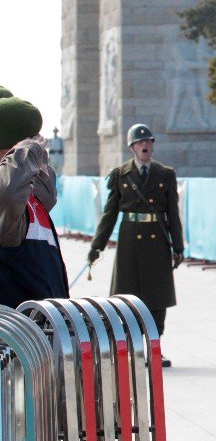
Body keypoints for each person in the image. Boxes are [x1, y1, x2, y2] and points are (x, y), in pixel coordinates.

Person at [89, 124, 185, 366]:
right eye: (140, 143)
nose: (145, 146)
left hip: (157, 242)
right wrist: (97, 246)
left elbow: (173, 214)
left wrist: (178, 247)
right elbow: (109, 214)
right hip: (130, 241)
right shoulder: (121, 175)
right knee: (126, 297)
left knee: (157, 298)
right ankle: (131, 348)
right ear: (132, 147)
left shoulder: (165, 175)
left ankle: (155, 348)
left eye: (149, 142)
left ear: (152, 145)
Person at [0, 92, 70, 305]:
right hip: (14, 332)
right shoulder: (9, 193)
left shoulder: (28, 196)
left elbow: (47, 194)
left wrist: (36, 158)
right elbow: (7, 194)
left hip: (46, 326)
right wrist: (24, 154)